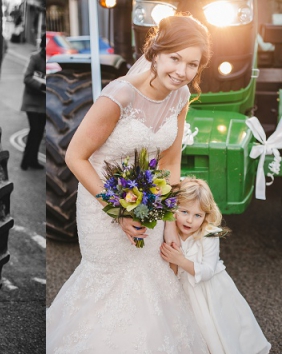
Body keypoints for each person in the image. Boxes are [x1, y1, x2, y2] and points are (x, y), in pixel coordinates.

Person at [46, 15, 213, 352]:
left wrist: (168, 222)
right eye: (175, 58)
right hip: (101, 199)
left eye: (192, 64)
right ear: (155, 53)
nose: (181, 71)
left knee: (150, 275)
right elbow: (75, 156)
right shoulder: (119, 95)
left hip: (149, 198)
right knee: (110, 280)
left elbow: (169, 160)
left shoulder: (180, 96)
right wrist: (117, 210)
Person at [160, 178, 271, 354]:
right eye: (184, 212)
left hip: (208, 291)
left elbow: (208, 271)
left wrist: (181, 260)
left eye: (198, 215)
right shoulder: (170, 233)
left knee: (214, 326)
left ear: (206, 215)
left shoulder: (208, 235)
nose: (190, 220)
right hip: (183, 290)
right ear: (174, 209)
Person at [20, 32, 46, 170]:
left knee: (39, 132)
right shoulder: (35, 58)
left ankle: (33, 160)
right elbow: (27, 78)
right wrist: (42, 85)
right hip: (32, 103)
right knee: (34, 131)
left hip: (43, 104)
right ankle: (25, 161)